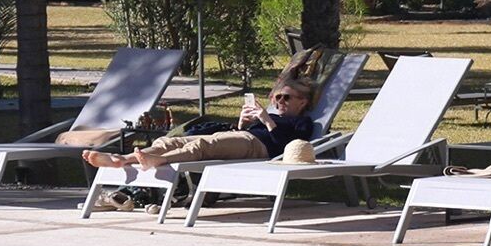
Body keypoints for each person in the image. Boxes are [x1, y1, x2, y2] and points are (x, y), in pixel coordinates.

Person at [85, 76, 322, 186]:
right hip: (240, 137)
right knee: (175, 140)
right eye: (277, 96)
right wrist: (243, 122)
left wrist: (267, 120)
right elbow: (240, 132)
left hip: (257, 147)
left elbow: (285, 146)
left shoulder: (302, 122)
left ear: (302, 102)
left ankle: (157, 160)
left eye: (287, 97)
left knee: (200, 147)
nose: (280, 101)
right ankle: (122, 159)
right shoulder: (274, 115)